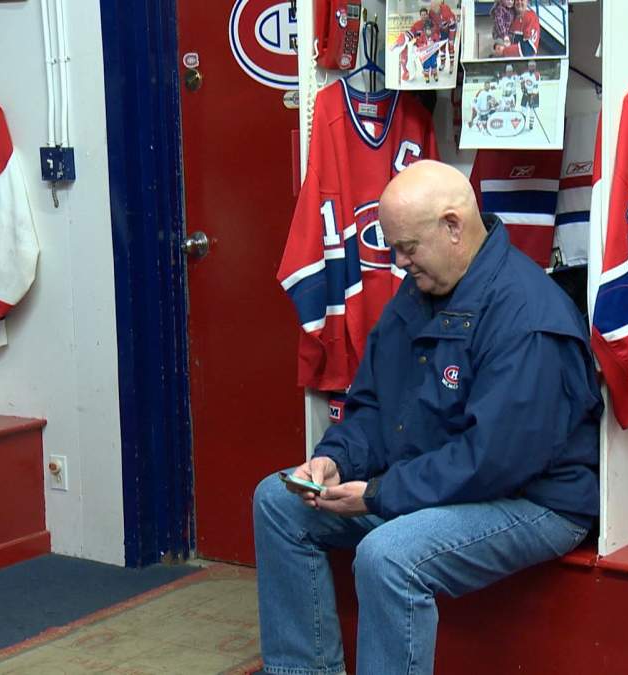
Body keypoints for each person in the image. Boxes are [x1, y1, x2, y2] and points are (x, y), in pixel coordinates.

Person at [253, 160, 601, 675]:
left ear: (453, 226)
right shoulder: (421, 294)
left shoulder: (527, 316)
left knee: (388, 556)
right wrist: (333, 460)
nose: (399, 263)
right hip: (441, 480)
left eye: (407, 248)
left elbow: (494, 462)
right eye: (393, 248)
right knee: (278, 502)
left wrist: (380, 495)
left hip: (535, 499)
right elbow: (374, 406)